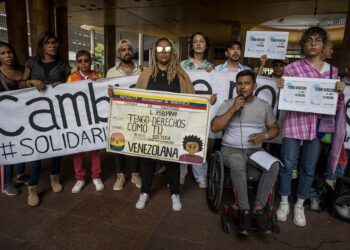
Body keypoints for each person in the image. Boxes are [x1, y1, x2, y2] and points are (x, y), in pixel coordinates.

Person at [134, 37, 216, 211]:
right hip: (150, 125)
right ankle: (145, 192)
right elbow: (135, 98)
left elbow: (192, 98)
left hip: (174, 127)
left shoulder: (181, 74)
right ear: (155, 52)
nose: (163, 52)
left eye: (167, 49)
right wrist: (115, 96)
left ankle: (175, 193)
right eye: (160, 49)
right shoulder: (146, 73)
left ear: (172, 52)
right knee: (147, 160)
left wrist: (208, 100)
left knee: (172, 161)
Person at [275, 27, 346, 227]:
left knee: (308, 167)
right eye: (308, 41)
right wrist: (281, 88)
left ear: (323, 45)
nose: (312, 44)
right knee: (287, 165)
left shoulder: (332, 72)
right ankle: (283, 202)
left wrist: (339, 94)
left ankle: (299, 204)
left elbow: (335, 107)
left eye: (317, 40)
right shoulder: (292, 69)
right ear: (303, 46)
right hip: (294, 123)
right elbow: (285, 102)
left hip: (317, 126)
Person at [211, 69, 279, 234]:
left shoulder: (263, 106)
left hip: (254, 151)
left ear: (254, 86)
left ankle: (259, 208)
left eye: (247, 83)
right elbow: (215, 127)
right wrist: (234, 109)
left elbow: (275, 129)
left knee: (274, 164)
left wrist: (264, 135)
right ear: (236, 87)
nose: (243, 87)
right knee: (237, 160)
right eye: (239, 84)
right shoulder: (228, 104)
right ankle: (244, 210)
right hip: (230, 150)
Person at [22, 31, 71, 206]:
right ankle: (33, 187)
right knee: (37, 149)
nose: (52, 45)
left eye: (54, 42)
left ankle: (55, 177)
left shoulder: (63, 65)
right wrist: (30, 82)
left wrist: (64, 85)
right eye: (48, 43)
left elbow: (73, 86)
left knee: (56, 146)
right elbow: (20, 83)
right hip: (35, 114)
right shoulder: (31, 63)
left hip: (57, 113)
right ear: (42, 46)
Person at [106, 39, 142, 191]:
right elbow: (103, 93)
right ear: (118, 53)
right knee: (118, 142)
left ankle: (135, 173)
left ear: (132, 52)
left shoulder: (142, 71)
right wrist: (108, 92)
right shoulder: (111, 72)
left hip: (136, 113)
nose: (126, 52)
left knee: (135, 143)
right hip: (118, 114)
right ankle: (120, 175)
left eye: (129, 49)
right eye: (123, 50)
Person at [180, 32, 214, 188]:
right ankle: (180, 174)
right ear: (192, 45)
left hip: (201, 111)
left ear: (206, 46)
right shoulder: (182, 65)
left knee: (199, 143)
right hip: (184, 109)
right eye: (195, 41)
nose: (198, 44)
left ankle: (200, 176)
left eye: (202, 41)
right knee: (181, 141)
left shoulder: (212, 68)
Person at [67, 50, 104, 193]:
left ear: (90, 62)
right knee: (78, 150)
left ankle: (96, 176)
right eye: (80, 61)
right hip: (78, 119)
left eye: (86, 60)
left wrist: (99, 84)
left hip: (94, 118)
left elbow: (105, 91)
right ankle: (80, 178)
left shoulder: (99, 75)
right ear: (77, 63)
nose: (83, 63)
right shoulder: (71, 78)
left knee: (95, 149)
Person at [0, 41, 28, 195]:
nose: (7, 55)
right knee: (8, 149)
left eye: (9, 52)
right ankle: (6, 183)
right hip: (5, 119)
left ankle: (20, 174)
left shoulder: (22, 70)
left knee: (22, 145)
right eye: (3, 53)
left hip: (22, 116)